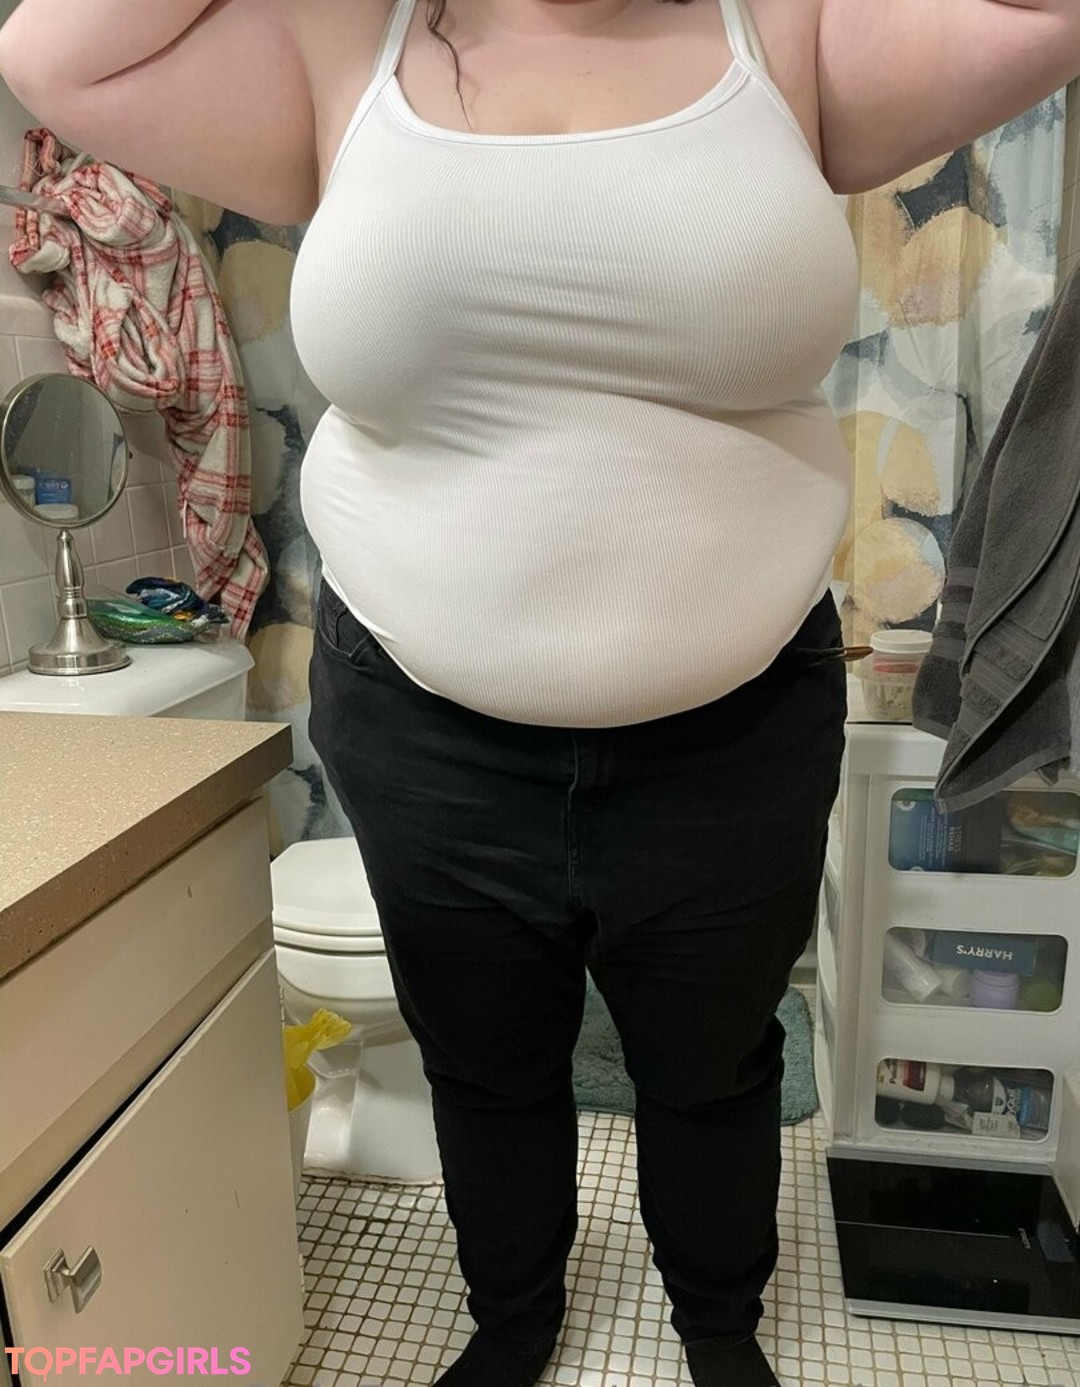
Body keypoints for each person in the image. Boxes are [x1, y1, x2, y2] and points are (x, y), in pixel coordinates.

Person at [1, 2, 1076, 1382]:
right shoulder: (342, 41)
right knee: (482, 1066)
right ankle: (512, 1325)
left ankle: (718, 1329)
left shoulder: (787, 30)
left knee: (716, 1067)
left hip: (737, 738)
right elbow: (49, 54)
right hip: (424, 735)